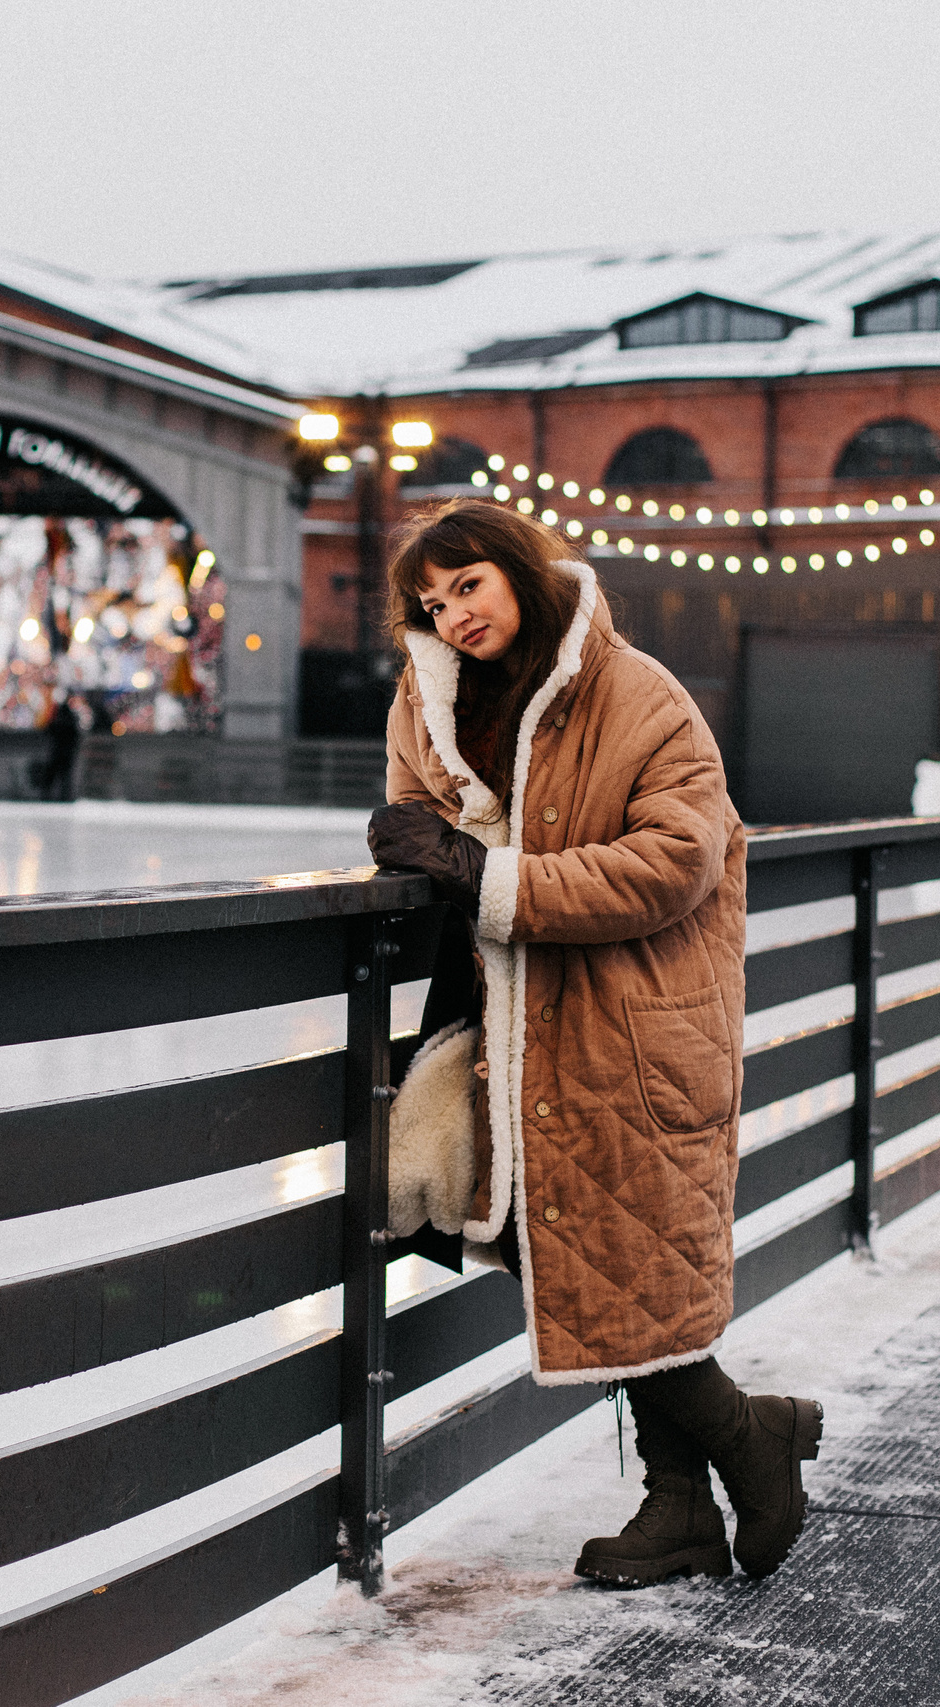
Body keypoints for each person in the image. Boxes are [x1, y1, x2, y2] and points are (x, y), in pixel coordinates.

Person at [365, 498, 821, 1588]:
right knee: (581, 1250)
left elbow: (676, 861)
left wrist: (490, 877)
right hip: (508, 1029)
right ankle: (700, 1481)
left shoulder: (636, 691)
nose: (454, 614)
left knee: (612, 1258)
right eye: (432, 602)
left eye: (468, 584)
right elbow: (421, 840)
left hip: (631, 1022)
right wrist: (416, 855)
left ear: (519, 569)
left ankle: (732, 1454)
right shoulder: (423, 709)